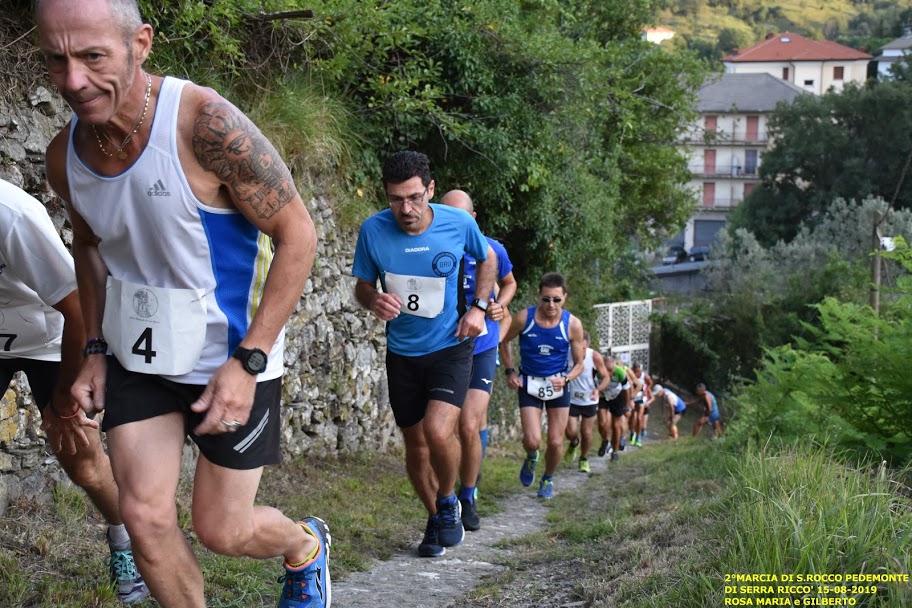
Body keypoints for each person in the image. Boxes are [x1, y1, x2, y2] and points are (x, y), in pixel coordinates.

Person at [37, 2, 330, 606]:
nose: (72, 81)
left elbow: (298, 233)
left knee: (223, 529)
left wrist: (247, 361)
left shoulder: (203, 123)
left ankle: (305, 545)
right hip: (136, 357)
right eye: (55, 59)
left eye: (93, 56)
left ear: (140, 43)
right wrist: (93, 347)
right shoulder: (62, 155)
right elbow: (90, 246)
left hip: (231, 360)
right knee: (143, 518)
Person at [0, 178, 149, 604]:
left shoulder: (11, 215)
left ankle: (126, 543)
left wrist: (65, 399)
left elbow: (79, 311)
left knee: (81, 459)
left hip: (53, 335)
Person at [352, 151, 495, 557]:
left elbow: (487, 261)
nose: (406, 209)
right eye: (396, 199)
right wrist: (373, 300)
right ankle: (435, 516)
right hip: (403, 353)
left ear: (430, 190)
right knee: (415, 447)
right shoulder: (373, 231)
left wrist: (478, 308)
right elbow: (362, 284)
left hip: (451, 346)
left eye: (414, 197)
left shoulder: (458, 223)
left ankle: (449, 500)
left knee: (437, 431)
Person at [440, 189, 516, 531]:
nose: (453, 222)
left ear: (473, 218)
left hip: (482, 345)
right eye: (446, 213)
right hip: (441, 346)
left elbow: (509, 283)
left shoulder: (492, 248)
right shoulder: (432, 245)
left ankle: (467, 496)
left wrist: (500, 304)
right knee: (448, 428)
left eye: (460, 216)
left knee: (469, 425)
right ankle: (452, 492)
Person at [501, 272, 585, 499]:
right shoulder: (524, 318)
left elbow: (579, 364)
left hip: (558, 385)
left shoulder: (573, 324)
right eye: (546, 298)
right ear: (539, 296)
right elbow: (503, 340)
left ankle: (547, 478)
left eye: (556, 299)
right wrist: (510, 371)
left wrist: (566, 378)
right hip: (529, 383)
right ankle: (531, 457)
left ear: (565, 298)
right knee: (532, 440)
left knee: (556, 441)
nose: (551, 304)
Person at [563, 331, 610, 473]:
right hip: (571, 399)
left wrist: (598, 390)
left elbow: (606, 377)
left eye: (582, 348)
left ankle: (583, 459)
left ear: (587, 345)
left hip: (589, 400)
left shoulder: (594, 356)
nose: (579, 351)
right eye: (576, 347)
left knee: (586, 432)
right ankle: (574, 443)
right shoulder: (566, 353)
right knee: (570, 431)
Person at [596, 356, 640, 461]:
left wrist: (627, 405)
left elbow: (627, 390)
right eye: (607, 371)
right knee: (602, 423)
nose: (610, 374)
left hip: (617, 397)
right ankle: (605, 441)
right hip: (603, 396)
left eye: (611, 371)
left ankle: (615, 451)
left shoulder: (620, 372)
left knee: (616, 426)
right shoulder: (597, 371)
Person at [629, 362, 651, 445]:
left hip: (641, 399)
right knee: (632, 418)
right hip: (632, 399)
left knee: (639, 418)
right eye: (635, 371)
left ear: (641, 370)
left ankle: (638, 437)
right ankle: (632, 432)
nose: (636, 373)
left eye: (638, 371)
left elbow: (650, 383)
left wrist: (646, 390)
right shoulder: (630, 375)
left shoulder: (644, 376)